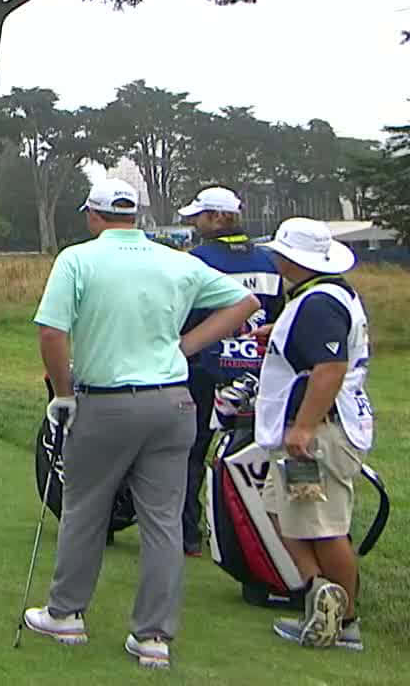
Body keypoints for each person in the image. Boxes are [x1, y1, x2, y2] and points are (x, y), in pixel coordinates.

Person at [22, 178, 262, 669]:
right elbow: (245, 303)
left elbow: (51, 332)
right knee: (163, 521)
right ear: (136, 215)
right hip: (173, 405)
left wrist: (63, 394)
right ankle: (153, 638)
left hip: (105, 403)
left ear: (93, 215)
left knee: (85, 510)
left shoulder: (77, 259)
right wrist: (186, 348)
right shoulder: (177, 260)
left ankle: (65, 614)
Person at [254, 218, 375, 651]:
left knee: (323, 526)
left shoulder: (318, 303)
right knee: (279, 509)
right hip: (319, 428)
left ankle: (344, 621)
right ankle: (319, 594)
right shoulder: (322, 296)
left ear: (292, 259)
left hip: (320, 432)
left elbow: (330, 368)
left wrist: (304, 426)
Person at [175, 186, 286, 556]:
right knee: (253, 453)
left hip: (205, 368)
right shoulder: (268, 260)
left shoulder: (197, 259)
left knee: (191, 452)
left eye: (199, 216)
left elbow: (185, 317)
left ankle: (188, 536)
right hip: (258, 371)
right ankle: (253, 535)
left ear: (216, 218)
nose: (195, 223)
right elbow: (277, 314)